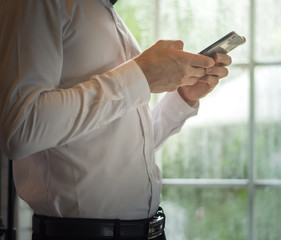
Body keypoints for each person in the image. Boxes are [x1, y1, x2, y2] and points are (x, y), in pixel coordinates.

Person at [0, 0, 232, 239]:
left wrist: (182, 98)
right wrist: (140, 76)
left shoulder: (108, 16)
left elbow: (118, 146)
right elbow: (20, 127)